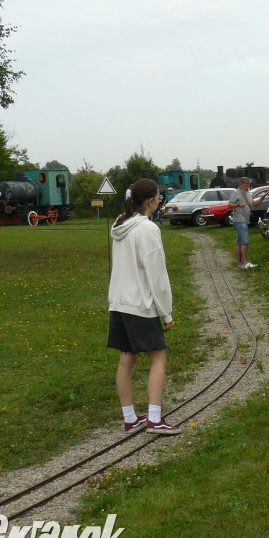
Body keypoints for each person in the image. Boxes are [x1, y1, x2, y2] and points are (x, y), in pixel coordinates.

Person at [108, 178, 181, 435]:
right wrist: (167, 312)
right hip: (140, 303)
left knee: (126, 359)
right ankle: (154, 418)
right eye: (159, 198)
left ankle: (130, 418)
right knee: (158, 357)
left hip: (118, 302)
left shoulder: (120, 224)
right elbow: (157, 275)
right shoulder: (147, 229)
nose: (160, 201)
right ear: (151, 201)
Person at [228, 176, 260, 269]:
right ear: (241, 184)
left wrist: (263, 196)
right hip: (239, 220)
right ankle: (245, 262)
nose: (248, 186)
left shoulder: (246, 193)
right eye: (246, 185)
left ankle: (240, 264)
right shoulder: (236, 193)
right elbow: (229, 205)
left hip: (244, 220)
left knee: (239, 242)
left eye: (249, 185)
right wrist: (238, 205)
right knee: (245, 241)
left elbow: (254, 203)